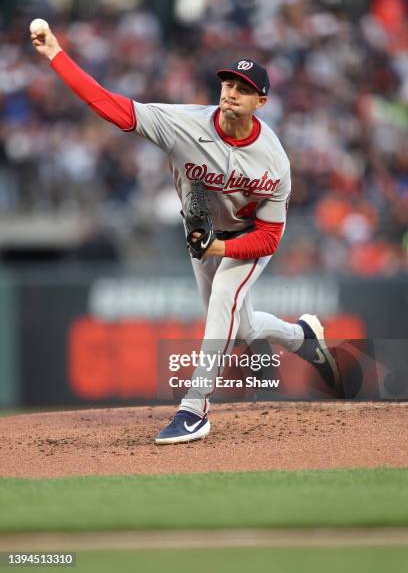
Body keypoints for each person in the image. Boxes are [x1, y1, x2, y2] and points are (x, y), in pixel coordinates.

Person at [31, 23, 343, 445]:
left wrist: (222, 247)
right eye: (228, 82)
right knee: (243, 328)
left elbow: (269, 238)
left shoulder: (274, 162)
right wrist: (56, 55)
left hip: (246, 238)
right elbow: (109, 105)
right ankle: (303, 337)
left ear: (261, 101)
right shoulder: (182, 124)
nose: (231, 91)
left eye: (243, 88)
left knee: (222, 303)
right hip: (203, 234)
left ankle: (194, 408)